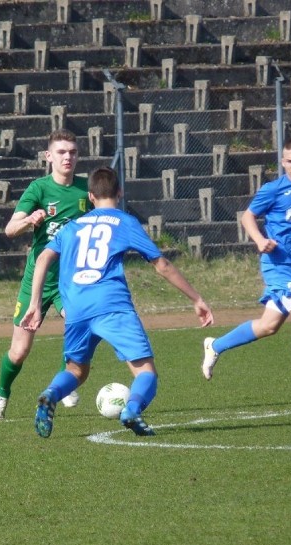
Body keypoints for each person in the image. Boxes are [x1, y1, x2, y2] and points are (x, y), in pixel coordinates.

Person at [20, 166, 214, 438]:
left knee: (76, 370)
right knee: (146, 372)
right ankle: (133, 410)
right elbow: (162, 265)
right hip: (111, 305)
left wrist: (35, 304)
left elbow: (42, 258)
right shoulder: (125, 222)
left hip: (75, 307)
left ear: (90, 196)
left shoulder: (72, 226)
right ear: (119, 193)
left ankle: (51, 394)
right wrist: (196, 298)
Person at [201, 137, 291, 397]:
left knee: (269, 325)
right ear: (282, 162)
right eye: (289, 161)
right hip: (277, 263)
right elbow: (247, 216)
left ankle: (215, 346)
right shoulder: (273, 189)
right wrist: (259, 240)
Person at [0, 129, 93, 420]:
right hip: (38, 279)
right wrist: (29, 220)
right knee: (19, 351)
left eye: (72, 151)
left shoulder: (87, 189)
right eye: (61, 152)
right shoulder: (39, 189)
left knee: (77, 328)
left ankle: (65, 383)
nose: (67, 156)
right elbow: (9, 230)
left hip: (71, 280)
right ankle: (1, 393)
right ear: (49, 157)